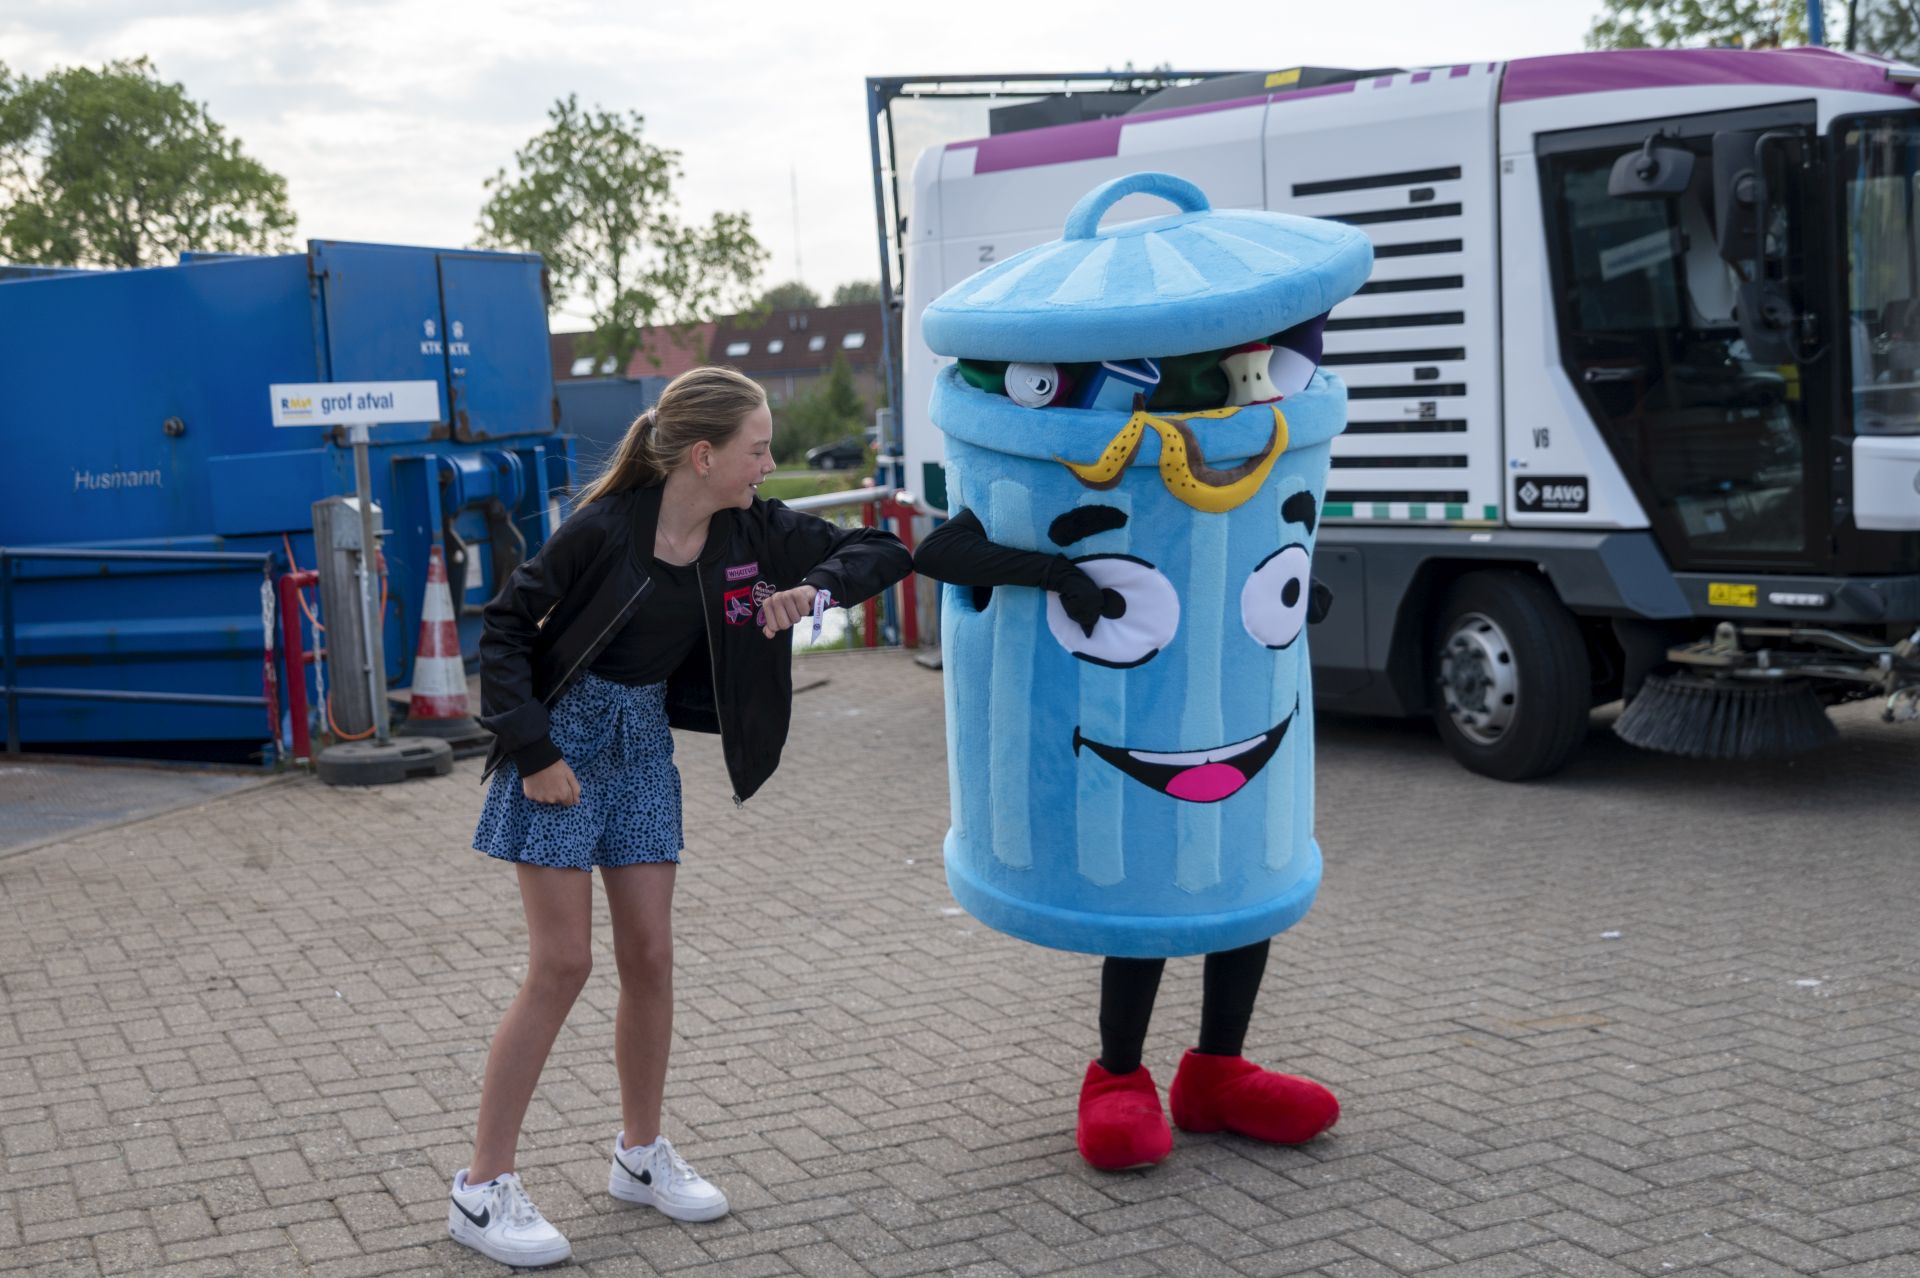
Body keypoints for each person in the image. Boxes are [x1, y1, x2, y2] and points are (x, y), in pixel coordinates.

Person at [448, 366, 911, 1268]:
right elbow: (504, 628)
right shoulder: (603, 530)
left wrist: (813, 591)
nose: (768, 465)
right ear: (703, 455)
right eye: (757, 449)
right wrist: (534, 753)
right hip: (560, 746)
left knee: (652, 958)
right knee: (563, 965)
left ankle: (640, 1155)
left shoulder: (749, 528)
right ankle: (481, 1188)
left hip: (642, 747)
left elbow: (880, 548)